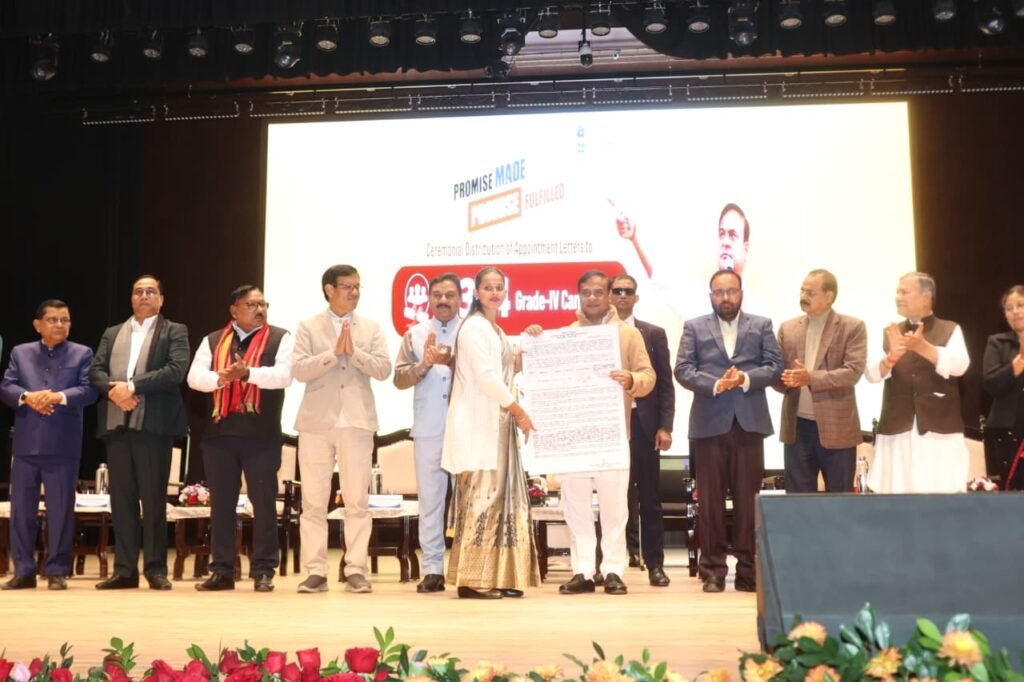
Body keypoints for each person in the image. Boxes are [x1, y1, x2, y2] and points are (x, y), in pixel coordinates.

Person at [675, 269, 781, 593]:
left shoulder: (761, 325)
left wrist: (745, 379)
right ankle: (713, 570)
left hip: (749, 424)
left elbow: (775, 367)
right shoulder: (694, 327)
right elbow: (682, 369)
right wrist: (716, 384)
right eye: (719, 292)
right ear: (711, 296)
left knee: (749, 503)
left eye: (731, 291)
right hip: (709, 425)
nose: (725, 298)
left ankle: (748, 570)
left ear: (741, 293)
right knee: (710, 503)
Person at [554, 270, 655, 597]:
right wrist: (537, 341)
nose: (592, 298)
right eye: (586, 292)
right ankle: (583, 571)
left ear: (609, 295)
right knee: (576, 508)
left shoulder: (627, 334)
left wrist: (631, 380)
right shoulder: (566, 336)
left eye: (599, 292)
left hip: (612, 434)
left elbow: (648, 375)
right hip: (575, 436)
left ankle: (613, 570)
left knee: (615, 508)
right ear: (579, 296)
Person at [186, 285, 293, 592]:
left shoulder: (280, 337)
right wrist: (221, 378)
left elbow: (284, 376)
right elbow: (194, 378)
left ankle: (263, 570)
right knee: (221, 505)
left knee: (263, 504)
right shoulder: (212, 340)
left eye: (263, 304)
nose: (259, 309)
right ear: (234, 310)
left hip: (261, 436)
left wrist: (247, 374)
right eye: (251, 304)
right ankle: (222, 570)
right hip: (219, 436)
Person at [292, 264, 391, 594]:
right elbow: (299, 370)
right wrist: (333, 354)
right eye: (347, 286)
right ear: (329, 290)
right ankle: (315, 571)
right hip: (316, 423)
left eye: (358, 286)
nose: (354, 292)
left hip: (357, 421)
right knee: (313, 502)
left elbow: (384, 370)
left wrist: (355, 352)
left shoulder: (371, 328)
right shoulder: (308, 326)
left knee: (357, 501)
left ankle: (356, 569)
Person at [442, 266, 540, 599]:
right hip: (478, 425)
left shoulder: (494, 329)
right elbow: (486, 378)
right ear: (476, 292)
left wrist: (532, 342)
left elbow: (506, 370)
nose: (495, 293)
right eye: (488, 287)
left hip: (496, 425)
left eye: (499, 287)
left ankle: (499, 576)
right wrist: (519, 411)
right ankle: (473, 580)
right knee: (483, 497)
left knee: (499, 498)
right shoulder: (474, 327)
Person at [91, 275, 189, 590]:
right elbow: (95, 371)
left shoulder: (174, 331)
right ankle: (124, 571)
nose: (144, 295)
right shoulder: (113, 332)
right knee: (121, 501)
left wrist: (131, 387)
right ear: (131, 298)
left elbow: (175, 370)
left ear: (161, 298)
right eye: (138, 291)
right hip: (117, 425)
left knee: (153, 499)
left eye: (150, 291)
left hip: (153, 427)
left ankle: (156, 569)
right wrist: (114, 392)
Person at [0, 300, 97, 590]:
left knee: (61, 511)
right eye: (53, 319)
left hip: (63, 444)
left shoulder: (82, 353)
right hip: (26, 445)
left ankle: (57, 570)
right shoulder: (20, 352)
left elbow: (89, 390)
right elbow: (6, 387)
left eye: (65, 320)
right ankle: (24, 571)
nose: (59, 325)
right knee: (21, 512)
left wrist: (57, 397)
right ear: (37, 325)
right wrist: (28, 397)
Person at [865, 272, 970, 493]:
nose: (898, 297)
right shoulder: (890, 332)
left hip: (938, 428)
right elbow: (872, 374)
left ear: (926, 297)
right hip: (897, 428)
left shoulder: (950, 328)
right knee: (897, 492)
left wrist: (924, 347)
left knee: (940, 492)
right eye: (897, 292)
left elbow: (960, 365)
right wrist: (890, 359)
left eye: (904, 292)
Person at [393, 272, 462, 593]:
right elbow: (399, 379)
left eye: (450, 295)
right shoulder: (414, 334)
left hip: (465, 427)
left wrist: (453, 361)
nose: (443, 301)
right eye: (437, 295)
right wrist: (424, 365)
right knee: (431, 501)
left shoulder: (472, 330)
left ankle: (466, 567)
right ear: (430, 299)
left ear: (460, 298)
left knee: (466, 501)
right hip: (428, 427)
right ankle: (433, 569)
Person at [774, 270, 867, 493]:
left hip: (837, 428)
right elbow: (776, 372)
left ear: (829, 296)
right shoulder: (788, 328)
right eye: (802, 291)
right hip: (797, 428)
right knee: (798, 502)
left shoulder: (852, 326)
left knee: (839, 501)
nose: (803, 296)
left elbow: (852, 372)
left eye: (811, 292)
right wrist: (784, 379)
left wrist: (809, 378)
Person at [609, 274, 673, 587]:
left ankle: (655, 565)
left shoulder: (653, 333)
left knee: (649, 498)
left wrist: (665, 426)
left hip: (645, 424)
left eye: (628, 291)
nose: (622, 295)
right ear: (609, 295)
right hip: (610, 424)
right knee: (612, 497)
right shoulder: (595, 332)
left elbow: (665, 384)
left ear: (636, 297)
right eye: (617, 291)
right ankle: (608, 566)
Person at [982, 285, 1024, 489]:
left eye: (1020, 305)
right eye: (1009, 308)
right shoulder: (997, 342)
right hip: (1008, 432)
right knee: (1014, 491)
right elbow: (990, 383)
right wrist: (1015, 367)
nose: (1015, 311)